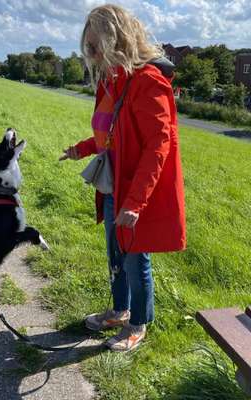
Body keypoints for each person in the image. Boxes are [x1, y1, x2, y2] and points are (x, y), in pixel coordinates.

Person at [59, 4, 186, 352]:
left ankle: (138, 324)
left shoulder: (148, 83)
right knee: (116, 255)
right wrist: (80, 149)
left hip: (135, 192)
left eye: (97, 46)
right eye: (89, 48)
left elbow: (158, 148)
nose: (93, 55)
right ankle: (119, 310)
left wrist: (136, 203)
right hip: (114, 187)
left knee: (135, 258)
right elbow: (111, 135)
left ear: (117, 40)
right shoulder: (113, 81)